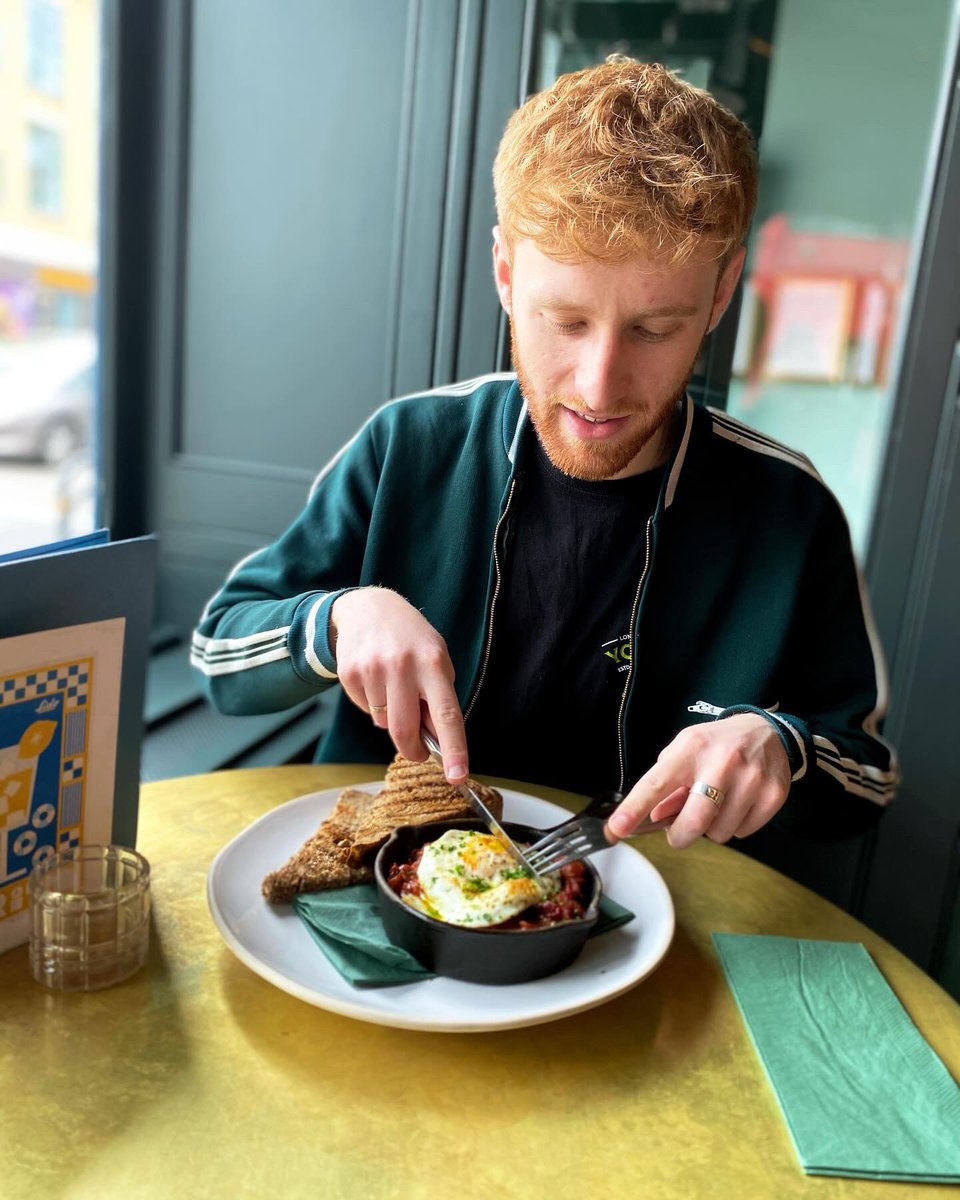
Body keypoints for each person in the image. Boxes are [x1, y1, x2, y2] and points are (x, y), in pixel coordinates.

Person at [191, 58, 898, 852]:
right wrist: (334, 621)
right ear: (505, 273)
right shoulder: (408, 445)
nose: (598, 386)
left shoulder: (791, 509)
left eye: (654, 329)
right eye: (565, 322)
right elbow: (219, 656)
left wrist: (782, 745)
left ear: (723, 291)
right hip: (382, 893)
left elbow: (867, 778)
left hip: (659, 905)